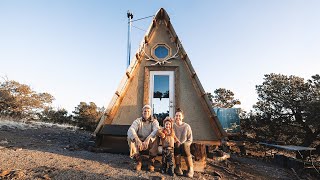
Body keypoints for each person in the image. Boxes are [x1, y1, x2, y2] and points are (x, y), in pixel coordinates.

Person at [127, 104, 160, 172]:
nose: (146, 113)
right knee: (130, 137)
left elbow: (156, 130)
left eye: (148, 111)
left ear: (150, 113)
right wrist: (137, 139)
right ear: (142, 112)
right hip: (140, 142)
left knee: (156, 136)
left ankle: (151, 160)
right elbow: (131, 129)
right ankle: (138, 159)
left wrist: (148, 139)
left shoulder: (154, 121)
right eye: (145, 111)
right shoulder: (138, 120)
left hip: (149, 142)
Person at [173, 108, 194, 177]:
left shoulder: (186, 126)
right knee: (177, 144)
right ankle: (178, 167)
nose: (178, 117)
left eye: (179, 116)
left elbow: (190, 139)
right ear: (174, 117)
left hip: (185, 145)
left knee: (184, 145)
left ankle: (190, 168)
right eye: (176, 116)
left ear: (182, 117)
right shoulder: (172, 126)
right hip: (176, 145)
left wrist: (185, 144)